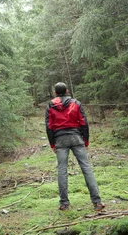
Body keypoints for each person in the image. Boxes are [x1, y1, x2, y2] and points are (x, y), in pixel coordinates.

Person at [45, 82, 105, 211]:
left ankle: (64, 204)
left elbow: (49, 127)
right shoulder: (76, 103)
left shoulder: (50, 105)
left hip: (60, 140)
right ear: (67, 91)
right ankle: (97, 202)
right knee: (86, 168)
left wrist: (52, 144)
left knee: (62, 170)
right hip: (76, 137)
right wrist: (86, 140)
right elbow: (84, 123)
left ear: (55, 92)